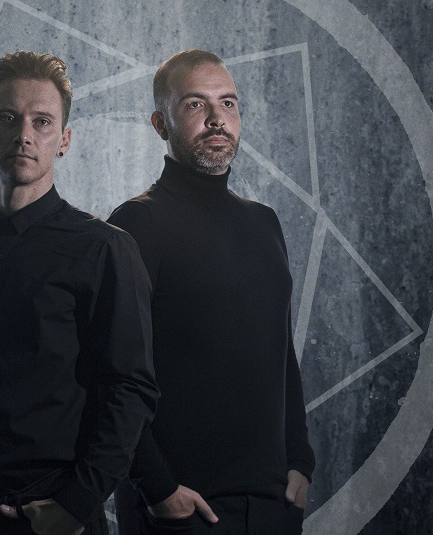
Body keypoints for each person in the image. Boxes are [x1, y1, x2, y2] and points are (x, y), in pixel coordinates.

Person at [0, 51, 159, 535]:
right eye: (8, 118)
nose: (24, 134)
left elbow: (130, 389)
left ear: (63, 140)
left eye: (42, 122)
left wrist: (77, 503)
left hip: (54, 519)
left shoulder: (104, 249)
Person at [107, 49, 315, 534]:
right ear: (160, 123)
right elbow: (108, 369)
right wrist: (156, 486)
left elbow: (281, 353)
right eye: (196, 104)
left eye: (228, 103)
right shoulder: (136, 223)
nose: (218, 118)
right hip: (179, 509)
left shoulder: (264, 224)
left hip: (272, 504)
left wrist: (301, 461)